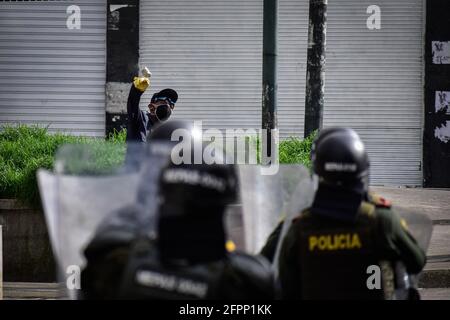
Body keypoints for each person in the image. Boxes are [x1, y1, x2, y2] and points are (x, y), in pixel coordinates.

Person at [81, 121, 275, 299]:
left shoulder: (218, 246)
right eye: (156, 163)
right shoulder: (121, 224)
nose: (160, 170)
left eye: (175, 160)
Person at [266, 128, 427, 299]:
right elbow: (417, 261)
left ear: (318, 173)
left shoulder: (299, 227)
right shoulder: (382, 219)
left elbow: (281, 281)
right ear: (362, 171)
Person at [126, 73, 178, 142]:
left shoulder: (166, 132)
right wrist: (136, 90)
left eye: (171, 105)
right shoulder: (141, 119)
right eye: (164, 102)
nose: (168, 105)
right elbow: (133, 104)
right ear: (152, 107)